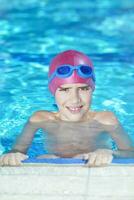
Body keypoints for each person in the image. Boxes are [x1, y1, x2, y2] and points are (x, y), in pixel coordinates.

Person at [0, 50, 134, 167]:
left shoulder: (105, 120)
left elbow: (130, 153)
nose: (75, 99)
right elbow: (17, 150)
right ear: (53, 92)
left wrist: (110, 153)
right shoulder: (39, 119)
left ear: (92, 90)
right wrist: (12, 155)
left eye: (83, 88)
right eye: (65, 90)